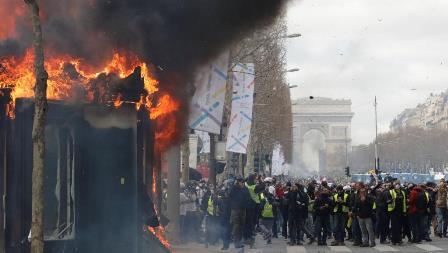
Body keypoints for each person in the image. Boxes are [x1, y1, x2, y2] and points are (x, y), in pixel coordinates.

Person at [229, 176, 251, 248]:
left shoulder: (245, 189)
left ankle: (239, 241)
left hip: (243, 210)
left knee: (241, 226)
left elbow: (248, 198)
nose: (239, 183)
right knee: (236, 226)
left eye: (241, 181)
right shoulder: (234, 188)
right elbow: (230, 195)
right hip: (235, 210)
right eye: (238, 181)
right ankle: (236, 242)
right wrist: (234, 186)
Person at [353, 183, 375, 247]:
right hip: (360, 216)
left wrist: (365, 201)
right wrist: (355, 213)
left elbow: (371, 205)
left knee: (370, 230)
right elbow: (356, 205)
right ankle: (365, 242)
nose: (362, 193)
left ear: (365, 191)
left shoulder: (369, 197)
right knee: (363, 231)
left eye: (363, 192)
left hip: (368, 216)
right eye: (361, 192)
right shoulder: (358, 197)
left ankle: (372, 242)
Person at [390, 181, 406, 245]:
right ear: (394, 185)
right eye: (396, 184)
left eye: (398, 184)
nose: (397, 185)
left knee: (400, 226)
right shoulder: (391, 192)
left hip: (400, 211)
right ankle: (393, 240)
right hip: (393, 211)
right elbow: (388, 201)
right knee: (394, 226)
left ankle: (399, 239)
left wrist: (404, 211)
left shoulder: (402, 192)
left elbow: (404, 202)